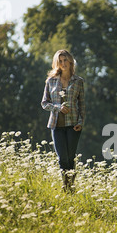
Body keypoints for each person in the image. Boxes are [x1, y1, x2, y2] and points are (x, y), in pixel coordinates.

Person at [41, 49, 86, 192]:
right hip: (56, 125)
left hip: (73, 125)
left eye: (65, 60)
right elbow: (44, 103)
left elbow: (82, 105)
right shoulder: (51, 81)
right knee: (62, 158)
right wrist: (57, 108)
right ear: (57, 63)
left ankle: (70, 188)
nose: (63, 63)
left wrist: (80, 122)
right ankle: (65, 186)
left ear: (70, 61)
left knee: (70, 158)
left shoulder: (78, 82)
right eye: (60, 61)